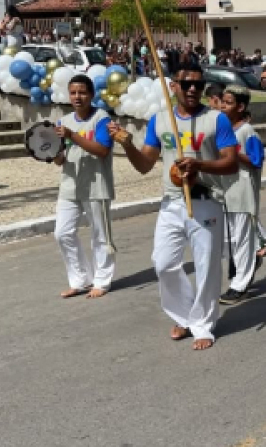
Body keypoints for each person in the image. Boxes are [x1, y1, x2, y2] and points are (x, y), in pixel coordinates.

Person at [109, 65, 239, 350]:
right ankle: (184, 315)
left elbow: (231, 163)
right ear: (173, 86)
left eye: (198, 85)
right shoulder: (160, 120)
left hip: (206, 201)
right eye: (186, 84)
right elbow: (144, 165)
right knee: (164, 264)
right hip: (171, 202)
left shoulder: (216, 119)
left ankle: (203, 324)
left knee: (206, 268)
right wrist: (128, 145)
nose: (192, 89)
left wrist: (199, 164)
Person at [52, 75, 116, 299]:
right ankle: (80, 280)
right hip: (70, 185)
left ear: (91, 94)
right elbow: (60, 159)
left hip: (97, 185)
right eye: (73, 93)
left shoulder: (102, 118)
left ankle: (102, 281)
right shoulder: (62, 121)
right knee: (62, 233)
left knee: (101, 236)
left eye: (82, 92)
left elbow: (102, 150)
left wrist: (73, 136)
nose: (77, 97)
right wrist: (50, 152)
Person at [218, 85, 266, 304]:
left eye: (228, 103)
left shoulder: (247, 132)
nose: (223, 106)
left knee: (243, 239)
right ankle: (247, 265)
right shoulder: (221, 131)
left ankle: (240, 286)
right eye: (222, 101)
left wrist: (233, 154)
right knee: (229, 240)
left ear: (240, 107)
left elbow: (256, 160)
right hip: (225, 191)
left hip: (243, 191)